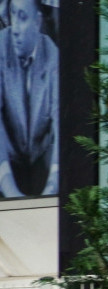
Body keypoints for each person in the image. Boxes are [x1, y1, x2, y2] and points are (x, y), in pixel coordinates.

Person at [0, 0, 59, 197]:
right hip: (5, 159)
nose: (14, 28)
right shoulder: (1, 46)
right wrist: (9, 189)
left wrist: (52, 185)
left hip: (39, 160)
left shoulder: (53, 57)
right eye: (12, 15)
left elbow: (61, 124)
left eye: (23, 17)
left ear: (38, 22)